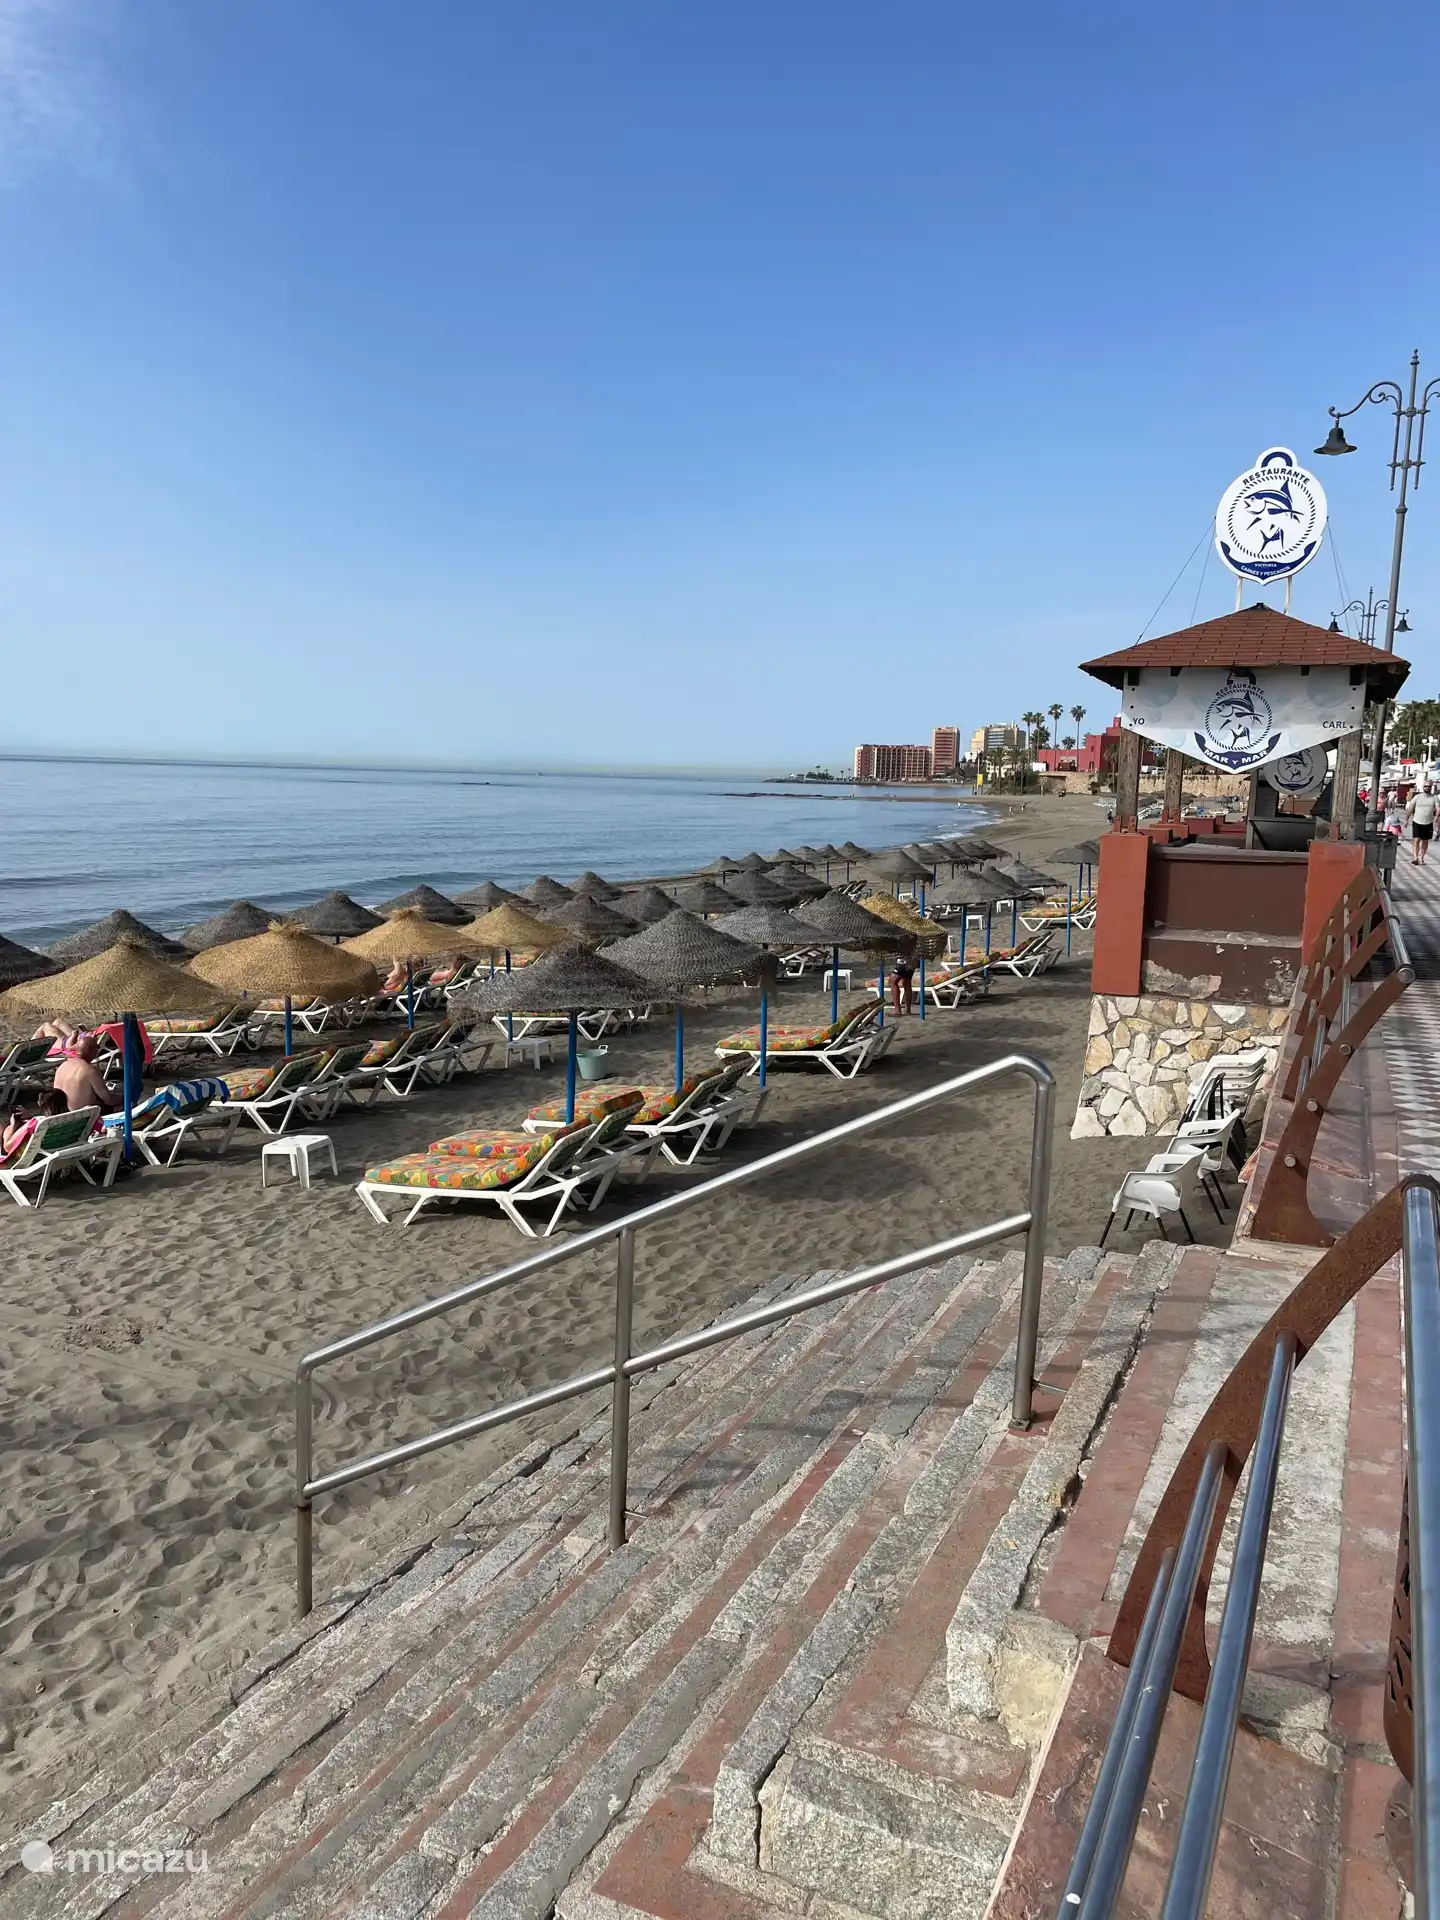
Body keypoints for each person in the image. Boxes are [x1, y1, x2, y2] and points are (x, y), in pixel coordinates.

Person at [53, 1034, 121, 1114]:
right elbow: (109, 1100)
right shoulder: (90, 1071)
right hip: (84, 1115)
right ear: (93, 1051)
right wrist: (124, 1096)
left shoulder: (62, 1066)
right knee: (126, 1104)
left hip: (62, 1113)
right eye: (98, 1047)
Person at [1407, 780, 1436, 866]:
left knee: (1425, 841)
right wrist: (1406, 819)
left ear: (1431, 787)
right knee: (1416, 840)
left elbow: (1438, 808)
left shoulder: (1434, 797)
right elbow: (1410, 808)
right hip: (1417, 821)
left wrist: (1437, 818)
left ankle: (1421, 858)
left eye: (1429, 786)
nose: (1427, 788)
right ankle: (1415, 858)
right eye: (1425, 786)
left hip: (1428, 822)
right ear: (1423, 787)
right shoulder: (1417, 797)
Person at [890, 945, 917, 1016]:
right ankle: (907, 1010)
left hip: (905, 960)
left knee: (893, 981)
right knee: (907, 982)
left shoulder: (905, 935)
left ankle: (897, 1009)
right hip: (913, 959)